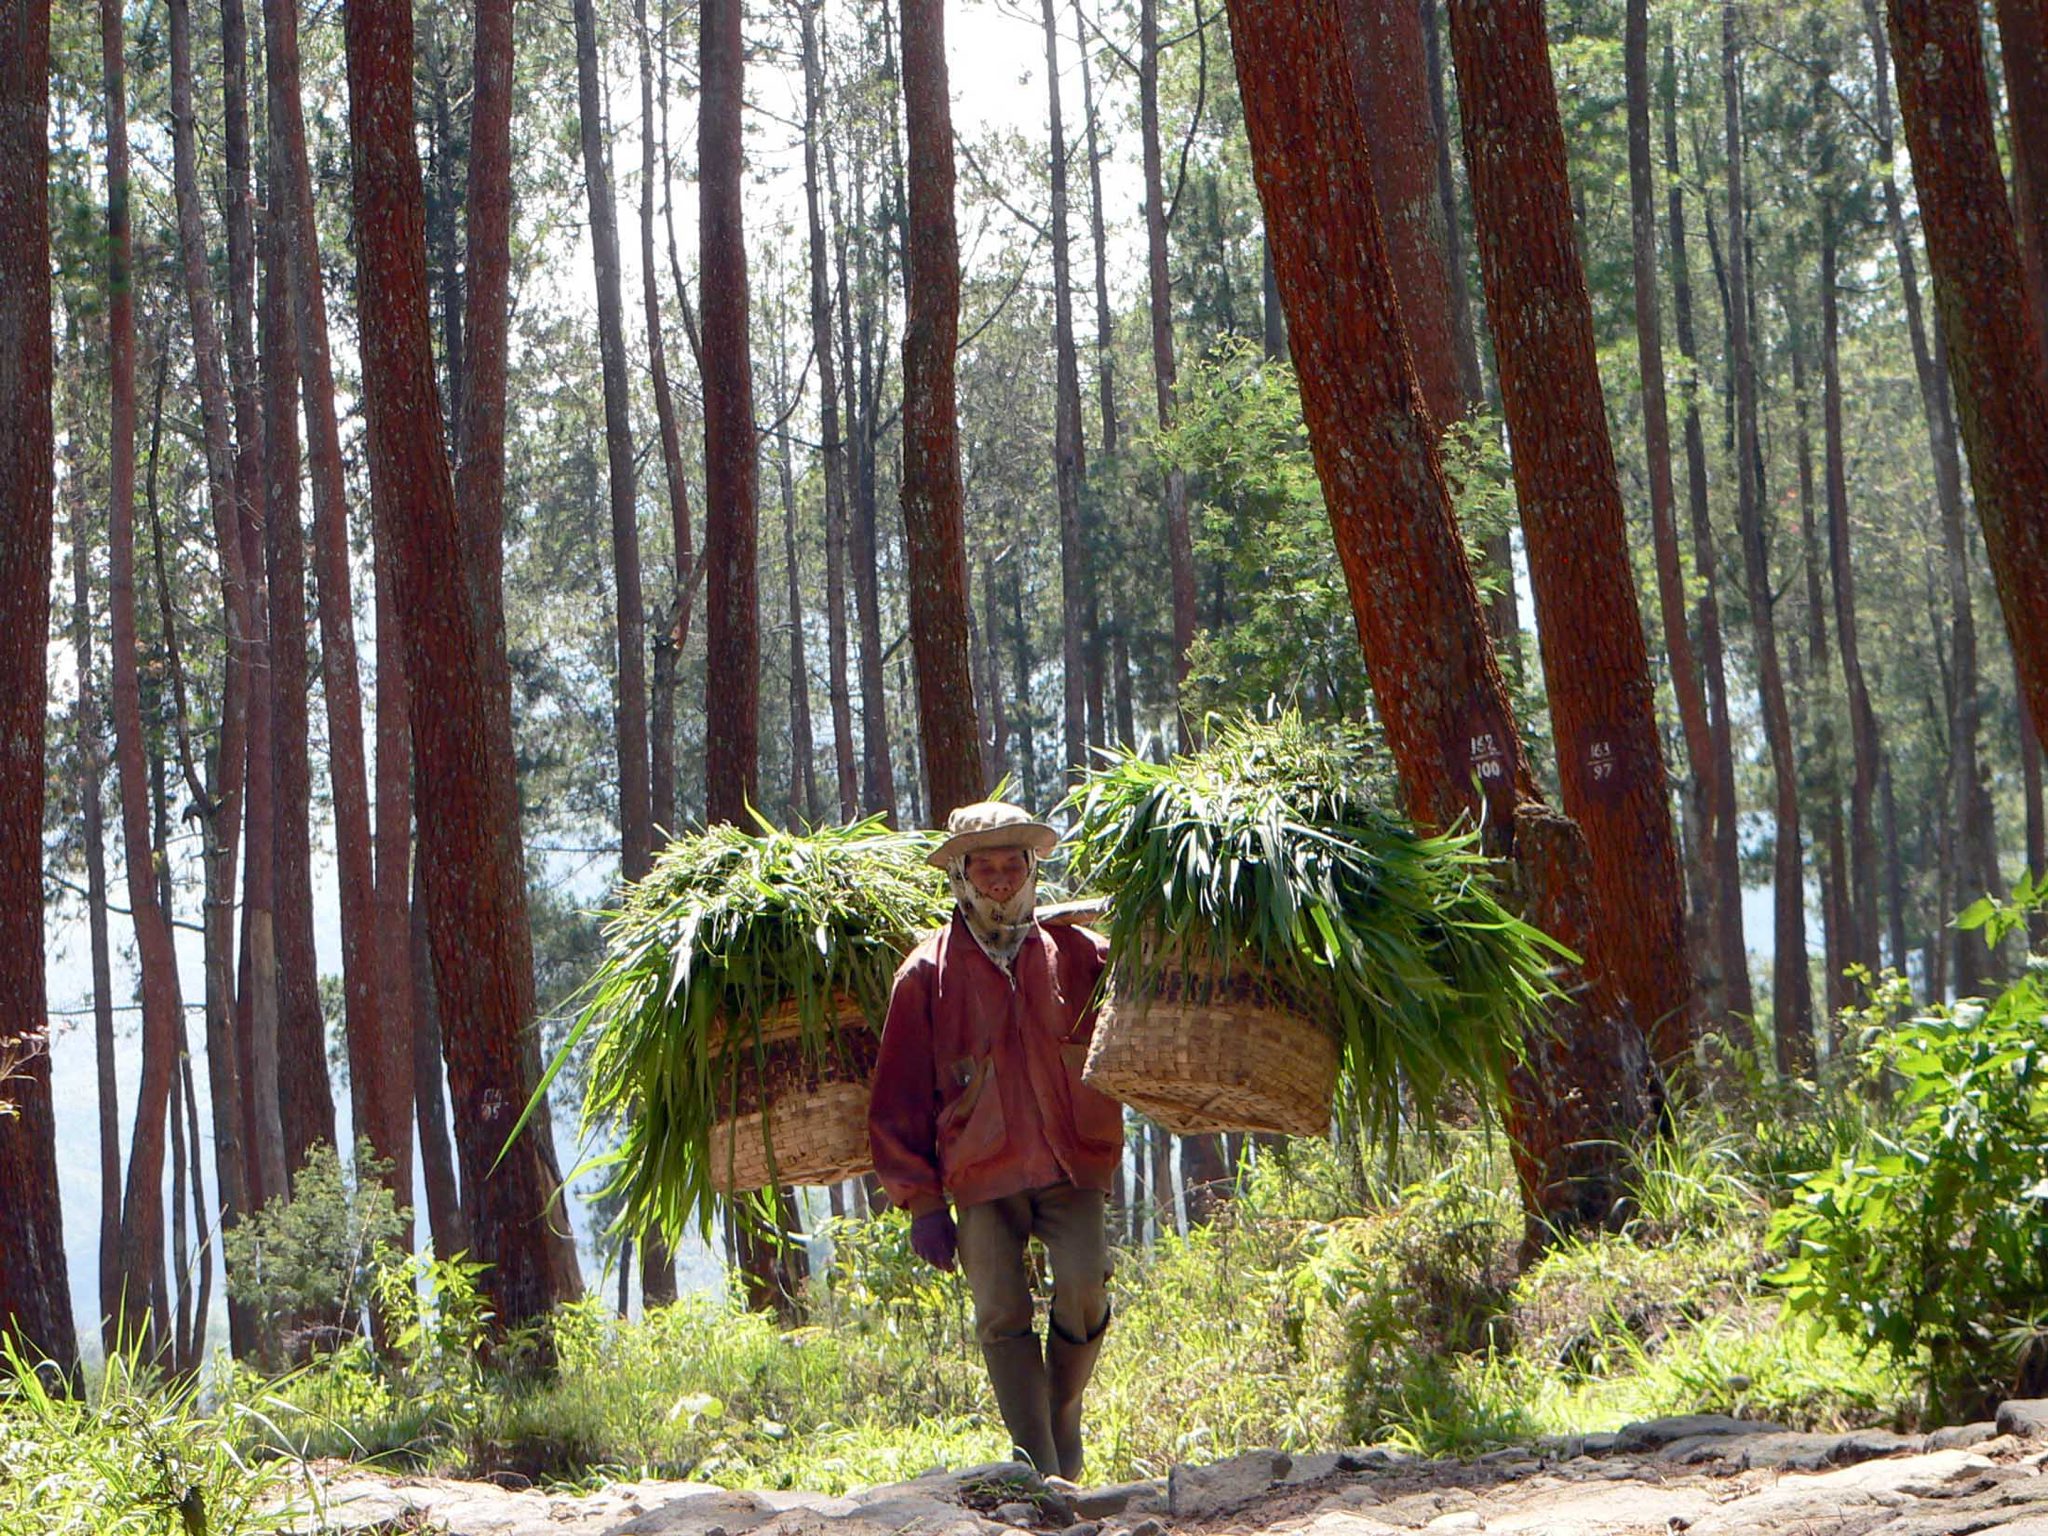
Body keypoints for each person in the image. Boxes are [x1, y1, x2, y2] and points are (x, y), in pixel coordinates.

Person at [868, 800, 1125, 1482]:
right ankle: (1040, 1467)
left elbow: (1134, 1023)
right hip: (982, 1174)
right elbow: (895, 1099)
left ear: (1032, 868)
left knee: (1084, 1288)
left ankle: (1062, 1411)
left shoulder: (1076, 953)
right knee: (1001, 1313)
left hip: (1073, 1163)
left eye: (1014, 863)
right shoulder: (926, 975)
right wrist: (922, 1204)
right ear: (961, 874)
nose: (1002, 878)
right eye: (986, 865)